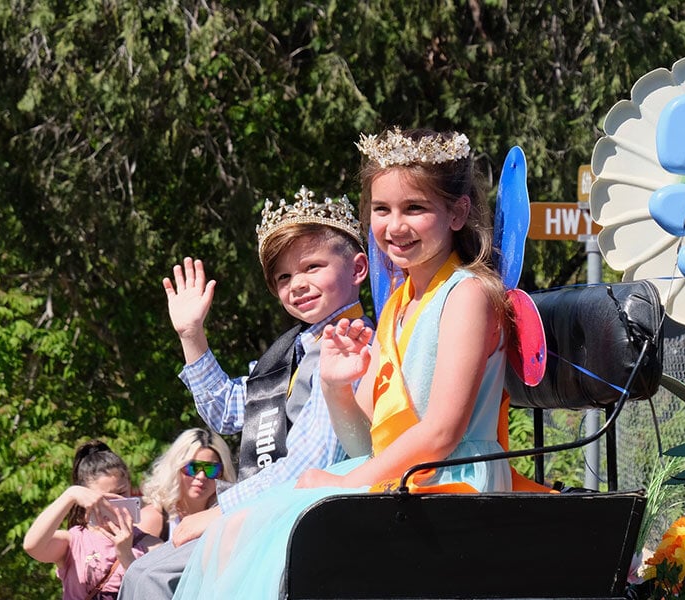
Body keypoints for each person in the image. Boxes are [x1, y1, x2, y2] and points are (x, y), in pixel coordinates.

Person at [170, 127, 518, 598]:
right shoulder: (399, 305)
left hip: (453, 481)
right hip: (408, 477)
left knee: (275, 525)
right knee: (237, 532)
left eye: (415, 208)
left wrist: (348, 484)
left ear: (457, 212)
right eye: (381, 210)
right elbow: (367, 440)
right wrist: (338, 387)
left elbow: (441, 432)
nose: (395, 226)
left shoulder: (467, 294)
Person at [117, 187, 370, 600]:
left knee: (152, 578)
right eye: (284, 277)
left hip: (305, 511)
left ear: (358, 267)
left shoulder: (353, 343)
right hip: (264, 510)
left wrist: (220, 512)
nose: (298, 285)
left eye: (312, 266)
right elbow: (228, 411)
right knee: (145, 572)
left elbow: (312, 459)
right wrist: (191, 335)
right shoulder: (289, 350)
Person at [23, 440, 160, 600]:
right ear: (87, 498)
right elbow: (32, 546)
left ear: (130, 486)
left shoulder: (151, 545)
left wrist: (126, 556)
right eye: (103, 498)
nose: (114, 504)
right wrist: (70, 495)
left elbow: (155, 594)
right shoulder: (75, 542)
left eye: (122, 493)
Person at [137, 428, 237, 541]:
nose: (201, 477)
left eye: (211, 469)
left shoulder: (226, 517)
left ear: (223, 474)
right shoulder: (153, 519)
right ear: (175, 468)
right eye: (193, 468)